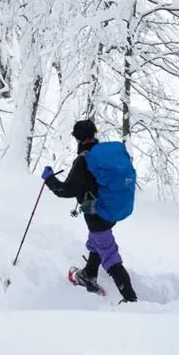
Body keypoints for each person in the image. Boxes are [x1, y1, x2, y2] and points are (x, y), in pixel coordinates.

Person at [43, 119, 139, 303]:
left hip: (97, 215)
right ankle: (88, 274)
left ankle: (130, 299)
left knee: (109, 255)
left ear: (77, 138)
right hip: (110, 211)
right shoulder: (101, 156)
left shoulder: (84, 160)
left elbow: (66, 190)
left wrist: (49, 179)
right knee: (97, 242)